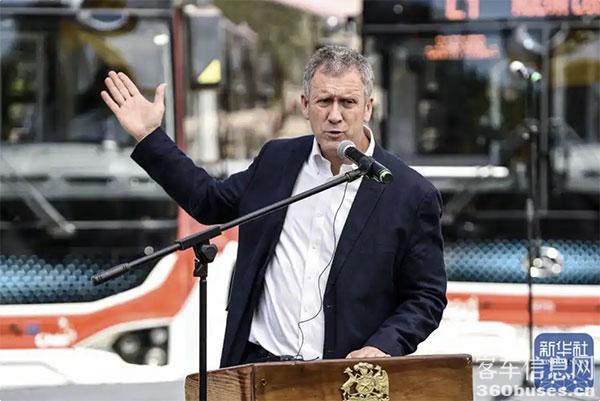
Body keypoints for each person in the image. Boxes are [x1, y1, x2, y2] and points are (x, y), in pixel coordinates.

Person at [101, 45, 447, 368]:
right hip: (259, 368)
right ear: (304, 105)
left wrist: (383, 346)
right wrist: (150, 136)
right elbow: (209, 202)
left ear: (368, 107)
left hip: (344, 377)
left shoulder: (409, 193)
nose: (335, 115)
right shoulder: (277, 160)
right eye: (324, 101)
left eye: (348, 102)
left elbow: (426, 297)